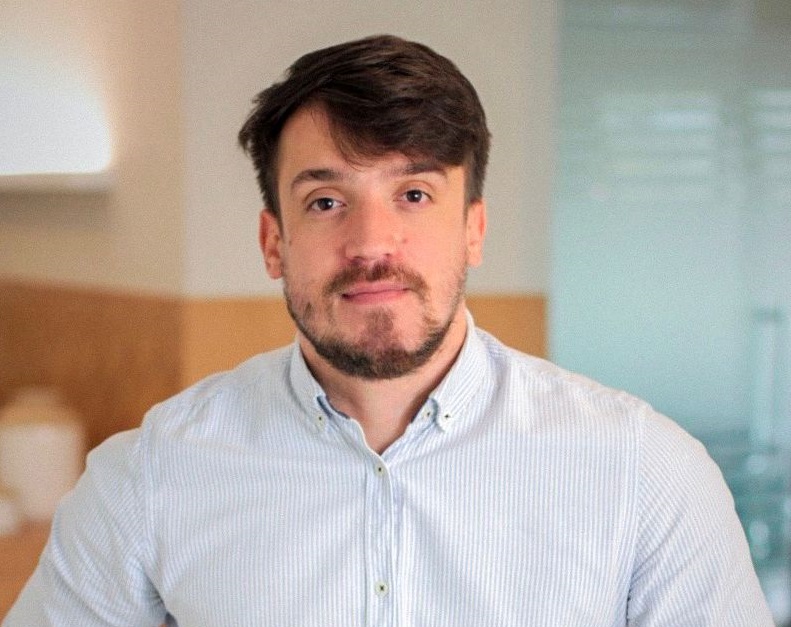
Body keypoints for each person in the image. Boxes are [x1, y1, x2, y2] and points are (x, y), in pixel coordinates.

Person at [5, 35, 772, 627]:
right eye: (326, 201)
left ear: (472, 229)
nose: (371, 243)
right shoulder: (147, 478)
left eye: (412, 194)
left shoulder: (645, 476)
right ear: (273, 243)